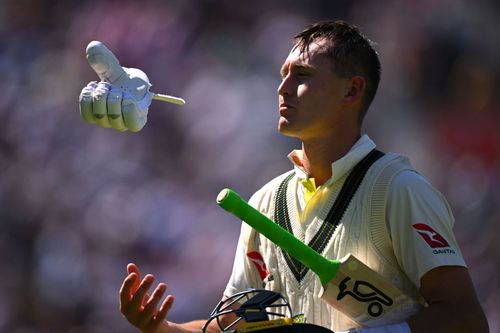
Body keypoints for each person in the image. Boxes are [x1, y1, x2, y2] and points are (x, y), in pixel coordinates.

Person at [79, 21, 489, 333]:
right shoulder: (265, 202)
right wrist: (163, 329)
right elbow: (235, 324)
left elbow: (466, 320)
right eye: (283, 74)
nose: (283, 88)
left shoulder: (399, 189)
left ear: (352, 91)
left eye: (303, 76)